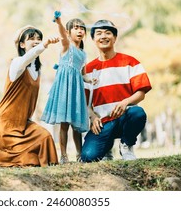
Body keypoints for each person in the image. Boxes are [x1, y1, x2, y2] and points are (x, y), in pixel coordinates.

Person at [0, 25, 60, 167]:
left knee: (45, 137)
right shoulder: (17, 63)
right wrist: (44, 44)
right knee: (30, 160)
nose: (37, 41)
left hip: (24, 124)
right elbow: (27, 58)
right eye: (31, 38)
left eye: (39, 38)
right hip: (6, 124)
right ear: (22, 44)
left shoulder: (37, 71)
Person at [81, 19, 152, 162]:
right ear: (94, 39)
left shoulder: (130, 62)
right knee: (88, 157)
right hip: (103, 123)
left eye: (108, 33)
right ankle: (107, 148)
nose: (103, 37)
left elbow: (141, 93)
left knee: (138, 113)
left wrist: (125, 102)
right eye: (99, 34)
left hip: (125, 117)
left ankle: (126, 145)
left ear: (115, 38)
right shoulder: (88, 69)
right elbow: (85, 103)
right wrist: (93, 117)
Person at [41, 12, 95, 164]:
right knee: (64, 123)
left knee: (76, 124)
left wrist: (90, 80)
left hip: (76, 89)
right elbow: (62, 35)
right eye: (76, 28)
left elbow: (83, 75)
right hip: (65, 87)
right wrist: (59, 22)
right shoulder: (67, 46)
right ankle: (63, 156)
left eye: (82, 28)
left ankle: (80, 154)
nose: (80, 31)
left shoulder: (83, 54)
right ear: (69, 32)